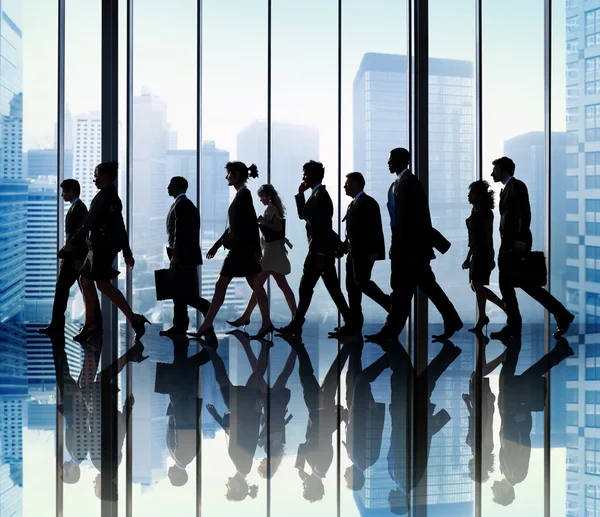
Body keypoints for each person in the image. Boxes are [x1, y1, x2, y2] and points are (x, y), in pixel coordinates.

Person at [366, 148, 462, 343]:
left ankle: (392, 331)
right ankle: (391, 331)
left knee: (411, 290)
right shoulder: (398, 184)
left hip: (412, 251)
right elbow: (397, 221)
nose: (388, 162)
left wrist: (403, 246)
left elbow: (414, 220)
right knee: (405, 292)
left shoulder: (410, 183)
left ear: (403, 160)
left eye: (391, 159)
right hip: (406, 250)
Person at [61, 162, 150, 342]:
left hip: (101, 248)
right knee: (88, 281)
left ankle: (125, 320)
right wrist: (126, 252)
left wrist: (72, 242)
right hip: (99, 248)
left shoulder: (105, 197)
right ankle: (98, 323)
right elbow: (119, 225)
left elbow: (90, 223)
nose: (94, 179)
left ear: (106, 177)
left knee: (97, 283)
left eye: (97, 175)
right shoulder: (111, 196)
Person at [489, 157, 574, 340]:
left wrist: (520, 241)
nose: (492, 173)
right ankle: (559, 315)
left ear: (504, 170)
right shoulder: (506, 190)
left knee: (514, 285)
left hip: (515, 245)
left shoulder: (517, 186)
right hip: (509, 245)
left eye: (495, 170)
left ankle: (518, 325)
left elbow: (524, 213)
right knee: (521, 285)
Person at [189, 162, 274, 340]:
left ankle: (207, 324)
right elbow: (234, 228)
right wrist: (217, 245)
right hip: (242, 248)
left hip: (241, 250)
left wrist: (257, 249)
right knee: (254, 284)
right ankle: (266, 323)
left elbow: (251, 224)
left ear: (236, 174)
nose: (226, 177)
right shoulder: (241, 195)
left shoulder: (244, 195)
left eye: (228, 174)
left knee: (224, 284)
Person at [491, 336, 573, 506]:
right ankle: (514, 341)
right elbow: (524, 446)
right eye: (495, 494)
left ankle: (558, 351)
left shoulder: (506, 472)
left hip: (508, 413)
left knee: (516, 376)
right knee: (509, 376)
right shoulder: (517, 476)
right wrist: (519, 418)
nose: (492, 489)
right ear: (505, 493)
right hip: (514, 413)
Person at [386, 340, 461, 515]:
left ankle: (448, 351)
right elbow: (412, 444)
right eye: (390, 502)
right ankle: (389, 342)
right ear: (397, 502)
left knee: (421, 380)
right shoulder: (407, 480)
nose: (388, 499)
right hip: (409, 413)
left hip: (405, 415)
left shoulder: (400, 480)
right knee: (404, 377)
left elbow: (396, 443)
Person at [279, 160, 353, 336]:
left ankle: (298, 323)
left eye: (305, 174)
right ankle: (351, 322)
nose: (303, 177)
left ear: (312, 175)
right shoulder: (317, 194)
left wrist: (321, 252)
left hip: (319, 252)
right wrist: (299, 194)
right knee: (326, 288)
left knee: (308, 288)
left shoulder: (321, 196)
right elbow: (303, 215)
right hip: (320, 251)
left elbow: (322, 228)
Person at [279, 334, 353, 502]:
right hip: (319, 410)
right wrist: (299, 467)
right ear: (313, 486)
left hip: (321, 412)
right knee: (307, 376)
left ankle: (348, 345)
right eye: (306, 487)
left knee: (330, 375)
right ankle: (297, 343)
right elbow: (306, 445)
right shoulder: (320, 466)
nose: (304, 484)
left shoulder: (320, 468)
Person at [204, 334, 270, 502]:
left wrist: (218, 417)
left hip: (245, 410)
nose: (227, 484)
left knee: (253, 377)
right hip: (241, 409)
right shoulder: (243, 465)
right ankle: (210, 349)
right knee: (224, 379)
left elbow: (237, 433)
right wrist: (227, 414)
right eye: (229, 488)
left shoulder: (243, 466)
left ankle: (265, 347)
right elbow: (241, 432)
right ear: (238, 488)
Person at [227, 183, 296, 330]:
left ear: (268, 196)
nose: (260, 200)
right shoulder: (273, 208)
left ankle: (246, 317)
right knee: (281, 285)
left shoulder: (271, 209)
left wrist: (262, 221)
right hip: (274, 251)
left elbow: (278, 227)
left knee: (259, 285)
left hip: (272, 253)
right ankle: (296, 317)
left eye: (261, 197)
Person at [39, 179, 102, 336]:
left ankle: (57, 325)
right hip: (75, 258)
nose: (62, 194)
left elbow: (80, 238)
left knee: (64, 288)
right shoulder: (77, 208)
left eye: (64, 191)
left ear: (72, 191)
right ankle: (95, 322)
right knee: (85, 289)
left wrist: (76, 259)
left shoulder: (79, 209)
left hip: (76, 258)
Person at [332, 172, 389, 338]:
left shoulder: (368, 203)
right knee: (352, 288)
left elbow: (375, 229)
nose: (345, 187)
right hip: (353, 253)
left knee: (361, 283)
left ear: (357, 184)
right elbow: (351, 233)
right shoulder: (353, 204)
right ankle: (354, 325)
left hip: (364, 253)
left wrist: (375, 253)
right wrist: (343, 248)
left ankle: (389, 304)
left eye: (348, 183)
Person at [155, 335, 210, 486]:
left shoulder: (180, 458)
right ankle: (208, 352)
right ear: (178, 475)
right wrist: (177, 406)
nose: (168, 473)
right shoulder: (183, 457)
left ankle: (180, 339)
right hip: (184, 405)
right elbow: (185, 430)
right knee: (182, 371)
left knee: (179, 369)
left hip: (183, 406)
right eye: (170, 476)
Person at [159, 176, 211, 336]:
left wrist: (175, 256)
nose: (168, 187)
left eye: (170, 185)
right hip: (184, 255)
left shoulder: (182, 206)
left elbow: (180, 233)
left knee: (186, 294)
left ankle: (206, 310)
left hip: (182, 257)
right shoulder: (183, 205)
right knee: (178, 293)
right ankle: (179, 325)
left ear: (178, 187)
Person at [343, 339, 389, 491]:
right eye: (347, 480)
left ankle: (354, 342)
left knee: (352, 377)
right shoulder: (367, 459)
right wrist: (373, 410)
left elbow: (353, 430)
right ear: (354, 478)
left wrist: (345, 419)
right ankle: (389, 358)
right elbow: (375, 433)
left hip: (353, 408)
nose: (344, 476)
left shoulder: (353, 458)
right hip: (363, 408)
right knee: (361, 380)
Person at [462, 180, 505, 332]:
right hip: (476, 252)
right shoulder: (475, 211)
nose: (469, 195)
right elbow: (472, 239)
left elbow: (489, 236)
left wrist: (490, 257)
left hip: (483, 252)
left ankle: (483, 317)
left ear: (478, 194)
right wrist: (468, 257)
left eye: (471, 192)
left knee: (477, 284)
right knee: (476, 286)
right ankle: (500, 308)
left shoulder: (486, 212)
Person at [462, 330, 504, 482]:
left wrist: (468, 405)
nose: (470, 469)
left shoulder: (474, 450)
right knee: (477, 376)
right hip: (484, 408)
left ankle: (483, 343)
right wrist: (490, 403)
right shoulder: (486, 450)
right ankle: (502, 356)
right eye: (473, 472)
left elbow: (471, 423)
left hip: (476, 407)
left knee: (477, 375)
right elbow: (488, 426)